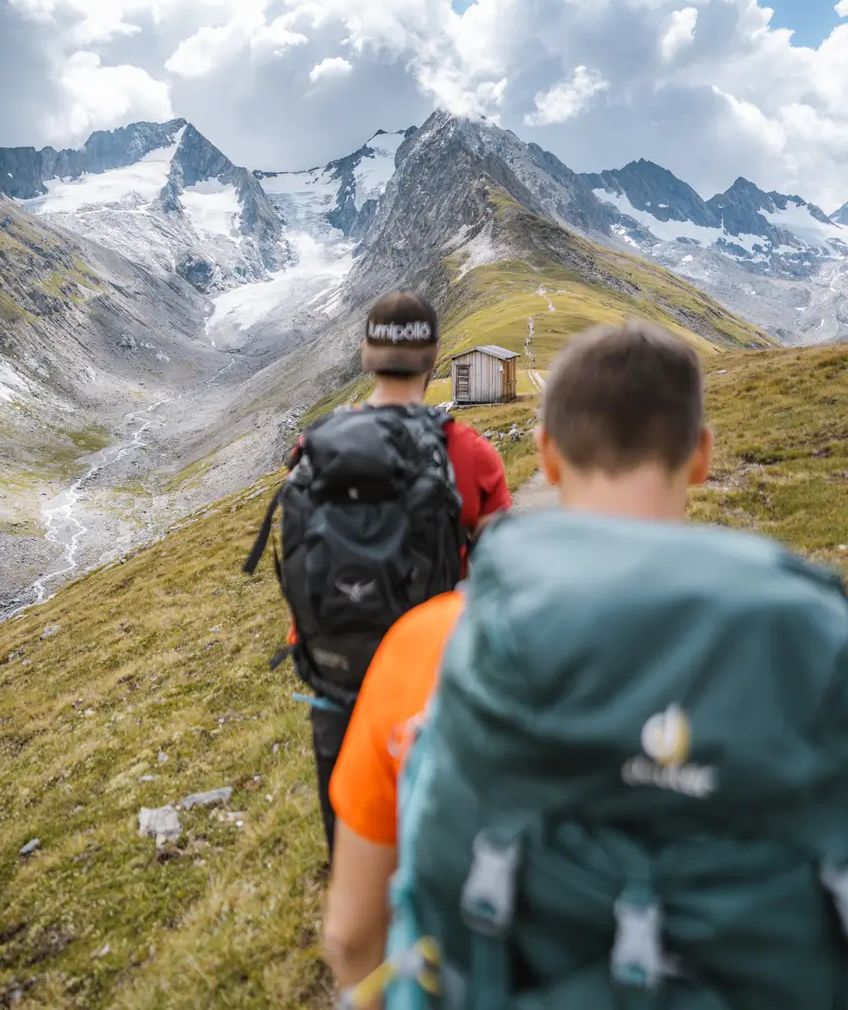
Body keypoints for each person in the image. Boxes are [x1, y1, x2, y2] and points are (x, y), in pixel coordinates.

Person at [326, 321, 848, 1010]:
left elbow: (352, 937)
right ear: (700, 456)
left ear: (545, 455)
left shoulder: (434, 643)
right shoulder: (812, 647)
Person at [244, 291, 511, 861]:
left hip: (335, 661)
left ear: (365, 355)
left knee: (348, 825)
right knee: (430, 831)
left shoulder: (315, 445)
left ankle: (349, 894)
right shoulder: (467, 452)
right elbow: (500, 574)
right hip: (429, 676)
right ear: (435, 356)